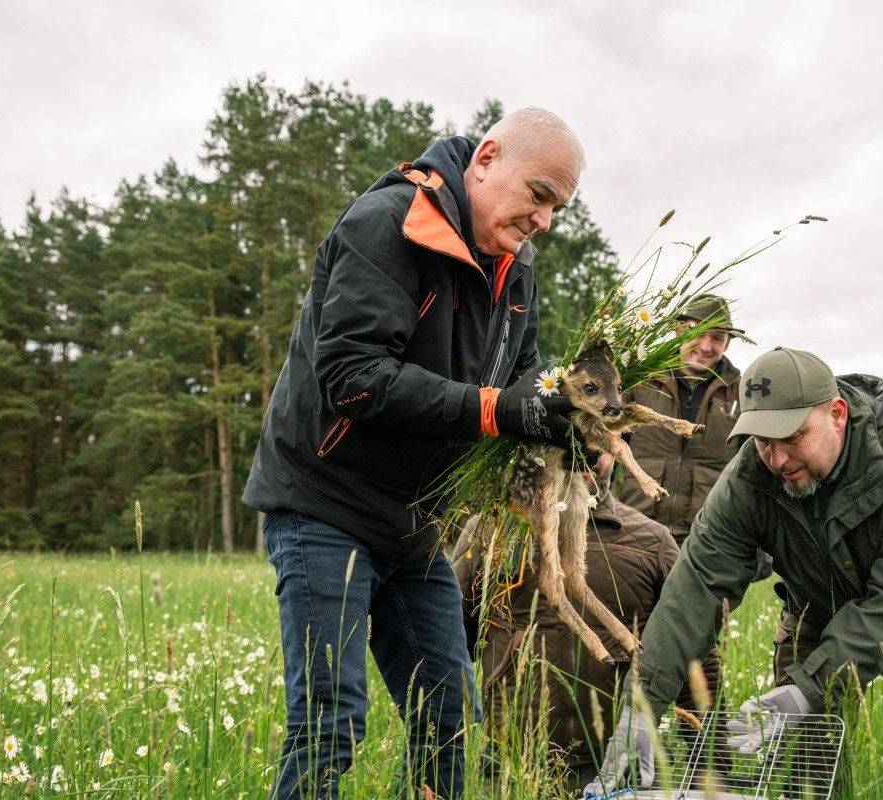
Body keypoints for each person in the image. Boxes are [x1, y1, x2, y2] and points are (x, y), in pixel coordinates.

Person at [241, 108, 586, 800]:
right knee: (330, 723)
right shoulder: (389, 223)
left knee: (450, 716)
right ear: (485, 159)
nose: (544, 220)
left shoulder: (516, 272)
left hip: (417, 523)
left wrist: (568, 414)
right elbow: (353, 376)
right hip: (323, 505)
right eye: (539, 194)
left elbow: (524, 374)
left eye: (559, 208)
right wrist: (495, 410)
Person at [587, 347, 883, 800]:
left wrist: (807, 689)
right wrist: (641, 704)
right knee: (807, 774)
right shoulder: (749, 479)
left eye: (793, 437)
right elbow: (697, 584)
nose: (776, 460)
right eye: (762, 442)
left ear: (836, 414)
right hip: (819, 614)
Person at [452, 453, 722, 794]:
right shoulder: (491, 530)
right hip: (508, 767)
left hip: (617, 768)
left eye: (596, 445)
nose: (583, 457)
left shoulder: (653, 542)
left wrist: (711, 770)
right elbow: (448, 640)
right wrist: (442, 751)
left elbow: (697, 657)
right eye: (568, 442)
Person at [613, 295, 772, 580]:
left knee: (690, 622)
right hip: (634, 527)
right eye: (697, 333)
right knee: (630, 619)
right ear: (677, 330)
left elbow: (757, 472)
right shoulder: (641, 378)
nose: (706, 346)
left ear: (727, 343)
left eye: (718, 337)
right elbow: (604, 447)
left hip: (704, 539)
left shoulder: (743, 393)